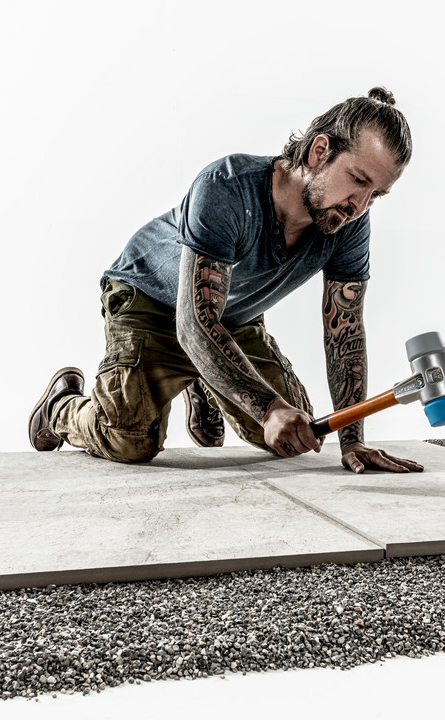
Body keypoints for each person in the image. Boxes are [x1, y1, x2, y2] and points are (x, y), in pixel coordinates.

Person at [28, 87, 424, 474]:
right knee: (128, 441)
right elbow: (193, 323)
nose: (360, 206)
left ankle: (205, 377)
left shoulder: (347, 222)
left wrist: (352, 441)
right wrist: (267, 408)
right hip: (148, 301)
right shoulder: (227, 187)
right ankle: (60, 407)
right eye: (358, 180)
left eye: (376, 195)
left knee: (296, 433)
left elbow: (345, 333)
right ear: (319, 151)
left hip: (230, 318)